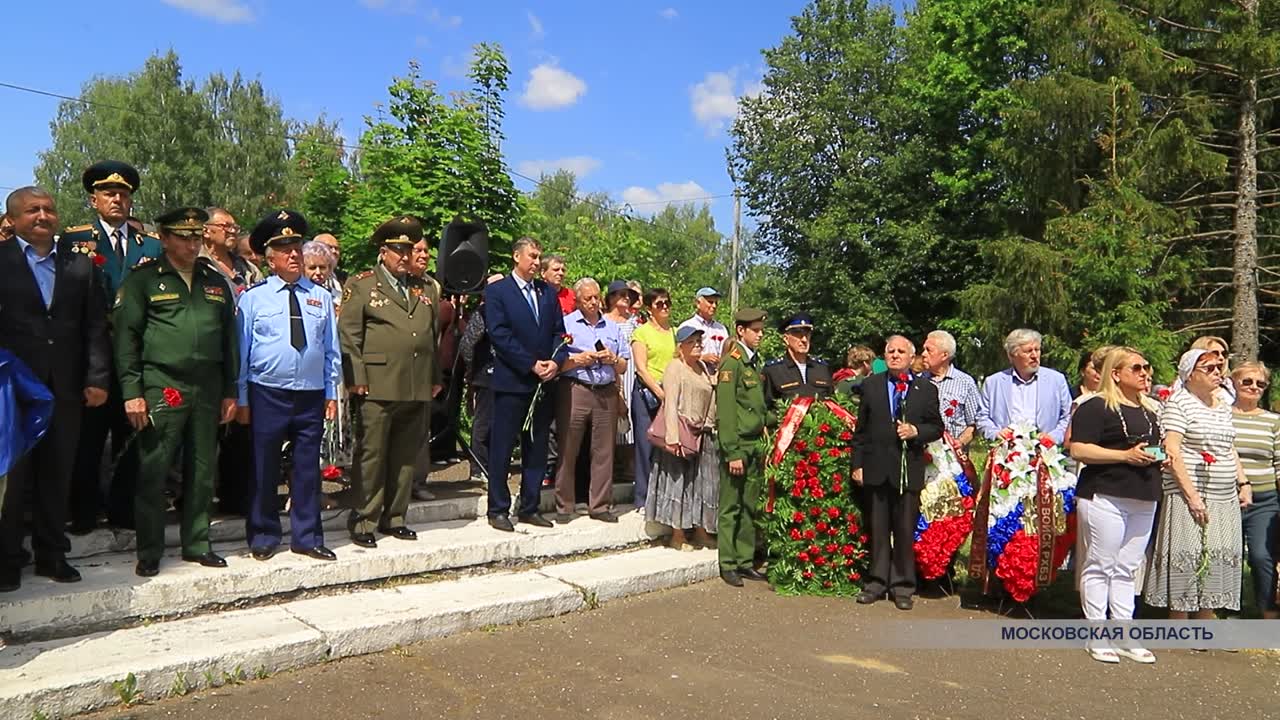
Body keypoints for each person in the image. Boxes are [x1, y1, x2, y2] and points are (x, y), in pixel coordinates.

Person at [114, 207, 239, 577]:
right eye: (183, 237)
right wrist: (132, 392)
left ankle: (197, 543)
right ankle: (150, 549)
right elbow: (126, 339)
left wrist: (230, 390)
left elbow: (230, 341)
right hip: (162, 383)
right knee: (154, 467)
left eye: (196, 237)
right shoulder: (144, 280)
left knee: (202, 468)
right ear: (165, 239)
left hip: (208, 385)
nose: (191, 244)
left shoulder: (214, 281)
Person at [0, 186, 109, 590]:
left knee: (56, 473)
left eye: (48, 209)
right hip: (11, 390)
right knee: (12, 479)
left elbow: (95, 326)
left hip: (65, 388)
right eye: (33, 210)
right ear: (12, 219)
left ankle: (51, 555)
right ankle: (7, 559)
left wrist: (97, 378)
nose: (43, 216)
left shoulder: (78, 265)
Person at [64, 161, 163, 534]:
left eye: (123, 194)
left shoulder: (150, 244)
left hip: (137, 355)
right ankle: (83, 513)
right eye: (109, 193)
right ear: (94, 200)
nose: (117, 199)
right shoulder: (75, 241)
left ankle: (124, 511)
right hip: (93, 354)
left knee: (132, 437)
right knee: (88, 439)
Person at [237, 211, 340, 562]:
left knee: (308, 468)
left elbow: (331, 350)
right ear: (270, 259)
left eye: (296, 247)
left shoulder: (320, 296)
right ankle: (264, 534)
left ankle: (307, 536)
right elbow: (242, 351)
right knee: (264, 467)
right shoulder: (254, 298)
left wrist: (331, 392)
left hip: (310, 393)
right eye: (285, 249)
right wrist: (242, 398)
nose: (294, 254)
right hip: (267, 391)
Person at [339, 216, 442, 548]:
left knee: (405, 455)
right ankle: (364, 519)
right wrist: (356, 377)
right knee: (372, 454)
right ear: (383, 252)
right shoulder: (363, 285)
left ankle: (395, 517)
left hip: (415, 382)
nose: (405, 256)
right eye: (399, 250)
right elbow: (349, 335)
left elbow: (431, 337)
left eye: (409, 250)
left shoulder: (424, 287)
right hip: (376, 384)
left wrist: (434, 376)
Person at [1067, 347, 1162, 664]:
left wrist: (1160, 457)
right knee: (1101, 564)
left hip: (1144, 494)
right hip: (1105, 493)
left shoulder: (1150, 409)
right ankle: (1096, 633)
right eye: (1137, 368)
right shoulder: (1095, 406)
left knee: (1127, 567)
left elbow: (1151, 447)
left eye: (1147, 367)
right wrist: (1124, 456)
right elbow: (1079, 449)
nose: (1145, 373)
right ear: (1116, 373)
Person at [1144, 349, 1246, 618]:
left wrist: (1242, 482)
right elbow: (1172, 451)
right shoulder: (1179, 403)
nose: (1217, 372)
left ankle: (1205, 625)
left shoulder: (1222, 404)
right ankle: (1180, 626)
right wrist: (1192, 497)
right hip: (1190, 494)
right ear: (1189, 375)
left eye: (1219, 367)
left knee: (1214, 560)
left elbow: (1229, 447)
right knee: (1187, 561)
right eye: (1209, 368)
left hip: (1223, 495)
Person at [850, 336, 944, 610]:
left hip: (907, 470)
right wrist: (857, 465)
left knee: (904, 530)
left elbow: (936, 427)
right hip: (876, 468)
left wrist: (916, 431)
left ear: (911, 357)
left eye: (901, 351)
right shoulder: (871, 385)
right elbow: (861, 431)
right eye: (890, 351)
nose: (895, 355)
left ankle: (902, 586)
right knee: (878, 529)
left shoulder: (925, 389)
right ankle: (876, 582)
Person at [483, 237, 569, 531]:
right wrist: (530, 363)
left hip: (543, 383)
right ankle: (497, 509)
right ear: (516, 256)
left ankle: (530, 506)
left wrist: (555, 361)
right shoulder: (498, 292)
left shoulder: (546, 293)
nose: (536, 261)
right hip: (512, 381)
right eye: (531, 256)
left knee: (537, 447)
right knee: (503, 447)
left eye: (538, 256)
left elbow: (559, 333)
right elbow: (499, 334)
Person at [554, 279, 630, 523]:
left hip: (606, 390)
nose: (594, 302)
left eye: (596, 297)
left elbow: (624, 366)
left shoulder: (612, 327)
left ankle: (600, 505)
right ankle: (564, 506)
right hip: (576, 388)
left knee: (604, 450)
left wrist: (612, 359)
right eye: (588, 298)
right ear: (577, 300)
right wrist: (578, 359)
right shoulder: (566, 324)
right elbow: (556, 362)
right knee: (569, 447)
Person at [646, 325, 719, 550]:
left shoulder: (703, 368)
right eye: (691, 342)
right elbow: (670, 403)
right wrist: (672, 436)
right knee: (678, 483)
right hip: (680, 433)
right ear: (681, 347)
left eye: (699, 341)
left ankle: (700, 531)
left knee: (700, 484)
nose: (697, 345)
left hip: (701, 433)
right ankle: (677, 535)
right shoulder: (674, 367)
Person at [715, 307, 770, 587]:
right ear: (741, 331)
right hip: (738, 445)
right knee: (731, 506)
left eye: (761, 330)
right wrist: (732, 452)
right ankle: (728, 563)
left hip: (754, 443)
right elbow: (725, 412)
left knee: (749, 505)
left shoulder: (753, 362)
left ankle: (745, 560)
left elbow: (756, 407)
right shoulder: (732, 364)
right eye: (755, 330)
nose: (760, 335)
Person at [1230, 362, 1280, 619]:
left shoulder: (1273, 421)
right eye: (1247, 381)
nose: (1254, 387)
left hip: (1265, 500)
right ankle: (1227, 609)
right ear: (1234, 382)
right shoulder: (1221, 416)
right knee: (1228, 556)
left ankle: (1268, 614)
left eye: (1260, 383)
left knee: (1262, 556)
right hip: (1226, 498)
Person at [303, 240, 353, 474]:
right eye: (312, 267)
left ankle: (332, 464)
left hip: (333, 362)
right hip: (308, 367)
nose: (318, 273)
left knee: (334, 417)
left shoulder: (337, 288)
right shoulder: (299, 290)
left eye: (323, 267)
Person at [976, 328, 1072, 444]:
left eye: (1037, 350)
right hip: (1007, 448)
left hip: (1045, 448)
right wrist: (995, 433)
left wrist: (1053, 437)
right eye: (1028, 351)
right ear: (1012, 355)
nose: (1034, 355)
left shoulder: (1056, 380)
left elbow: (1068, 416)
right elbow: (982, 417)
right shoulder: (993, 383)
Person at [631, 288, 676, 510]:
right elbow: (641, 368)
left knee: (667, 446)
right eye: (659, 304)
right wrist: (659, 393)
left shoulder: (675, 332)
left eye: (667, 303)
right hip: (647, 394)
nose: (664, 307)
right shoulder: (641, 333)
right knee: (645, 444)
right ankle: (642, 498)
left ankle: (663, 497)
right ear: (650, 308)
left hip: (670, 392)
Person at [459, 274, 505, 483]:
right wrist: (474, 368)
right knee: (483, 423)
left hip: (506, 374)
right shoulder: (483, 312)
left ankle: (494, 467)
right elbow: (467, 345)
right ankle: (478, 468)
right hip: (485, 375)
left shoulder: (509, 310)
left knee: (501, 424)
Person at [605, 280, 641, 483]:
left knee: (630, 422)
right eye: (622, 294)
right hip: (612, 375)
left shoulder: (636, 322)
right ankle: (611, 469)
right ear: (611, 298)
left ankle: (629, 468)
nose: (626, 298)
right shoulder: (603, 321)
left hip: (633, 374)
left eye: (629, 295)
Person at [919, 330, 980, 447]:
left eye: (929, 350)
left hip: (954, 452)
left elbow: (973, 423)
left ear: (944, 355)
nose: (923, 354)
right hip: (923, 451)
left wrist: (959, 443)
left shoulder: (965, 382)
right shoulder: (917, 381)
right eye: (924, 349)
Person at [763, 313, 833, 408]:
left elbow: (832, 403)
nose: (804, 340)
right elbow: (766, 407)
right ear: (786, 339)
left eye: (807, 334)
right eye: (798, 335)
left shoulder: (822, 368)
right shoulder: (773, 370)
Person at [201, 207, 262, 297]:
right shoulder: (195, 264)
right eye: (226, 226)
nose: (233, 231)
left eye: (235, 227)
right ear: (206, 231)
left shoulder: (248, 269)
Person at [678, 287, 729, 370]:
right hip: (695, 373)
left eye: (716, 303)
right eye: (710, 302)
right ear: (698, 303)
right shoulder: (687, 326)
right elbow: (680, 355)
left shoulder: (721, 329)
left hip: (717, 374)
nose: (714, 306)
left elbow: (727, 353)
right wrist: (702, 358)